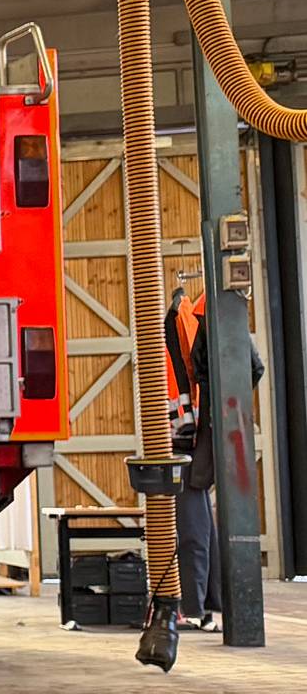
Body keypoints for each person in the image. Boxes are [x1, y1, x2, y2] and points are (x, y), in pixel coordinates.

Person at [166, 266, 263, 633]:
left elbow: (183, 377)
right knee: (202, 514)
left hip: (197, 432)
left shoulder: (196, 316)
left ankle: (194, 606)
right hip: (212, 426)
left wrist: (194, 424)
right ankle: (211, 601)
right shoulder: (205, 313)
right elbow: (253, 368)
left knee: (192, 513)